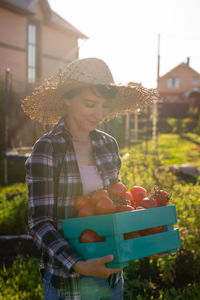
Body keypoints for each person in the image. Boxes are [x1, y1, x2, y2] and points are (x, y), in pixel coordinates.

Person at [21, 57, 156, 300]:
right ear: (67, 99)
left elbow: (116, 208)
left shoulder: (107, 144)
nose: (99, 114)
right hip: (67, 280)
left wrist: (147, 240)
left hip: (111, 276)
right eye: (91, 104)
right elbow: (39, 222)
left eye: (104, 106)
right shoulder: (48, 149)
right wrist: (79, 264)